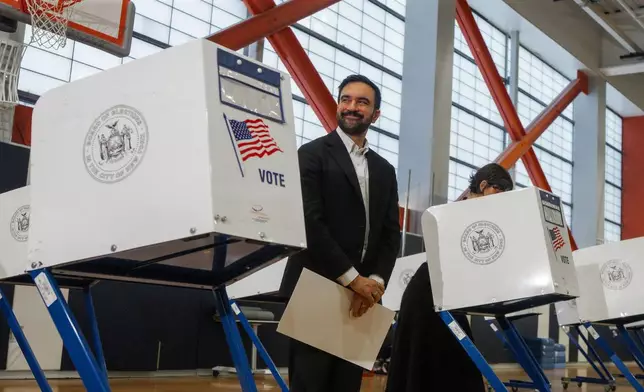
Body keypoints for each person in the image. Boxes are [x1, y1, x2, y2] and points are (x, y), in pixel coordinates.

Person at [279, 74, 401, 392]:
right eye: (346, 99)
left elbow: (391, 235)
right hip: (316, 287)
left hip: (360, 299)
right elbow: (310, 223)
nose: (352, 107)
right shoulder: (312, 154)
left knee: (346, 386)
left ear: (375, 114)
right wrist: (353, 279)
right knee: (311, 383)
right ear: (337, 106)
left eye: (362, 102)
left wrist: (375, 281)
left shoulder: (385, 170)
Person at [385, 163, 514, 392]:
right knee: (429, 363)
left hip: (445, 296)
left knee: (456, 365)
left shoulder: (480, 218)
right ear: (483, 185)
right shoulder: (459, 214)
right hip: (427, 292)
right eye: (497, 193)